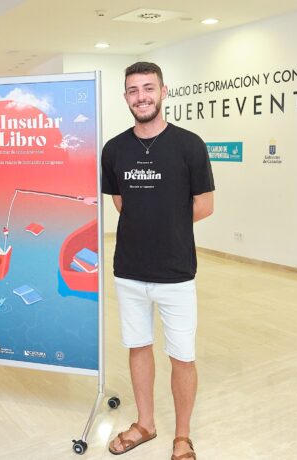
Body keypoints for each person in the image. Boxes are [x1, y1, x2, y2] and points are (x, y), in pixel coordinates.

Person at [101, 62, 215, 459]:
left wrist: (167, 226)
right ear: (125, 97)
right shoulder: (114, 149)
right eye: (133, 90)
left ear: (163, 92)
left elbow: (205, 205)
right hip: (129, 270)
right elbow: (121, 203)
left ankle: (182, 436)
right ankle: (145, 424)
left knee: (182, 355)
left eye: (149, 88)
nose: (141, 96)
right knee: (138, 346)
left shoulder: (189, 145)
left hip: (176, 272)